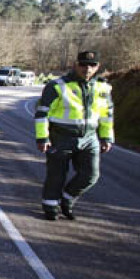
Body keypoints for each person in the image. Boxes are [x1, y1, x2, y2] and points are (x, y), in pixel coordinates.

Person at [34, 50, 114, 221]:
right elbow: (42, 114)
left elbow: (107, 115)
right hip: (61, 137)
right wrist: (43, 138)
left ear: (98, 67)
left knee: (91, 176)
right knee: (56, 175)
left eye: (92, 65)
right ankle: (50, 207)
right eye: (83, 64)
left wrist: (106, 137)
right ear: (76, 65)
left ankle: (67, 199)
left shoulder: (103, 87)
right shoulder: (57, 86)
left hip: (90, 137)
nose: (87, 68)